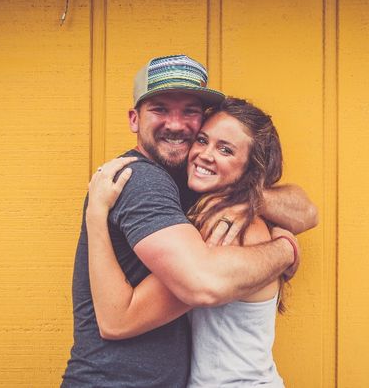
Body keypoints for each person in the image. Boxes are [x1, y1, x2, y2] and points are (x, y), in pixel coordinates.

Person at [61, 55, 317, 388]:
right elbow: (128, 315)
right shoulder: (146, 182)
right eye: (160, 109)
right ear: (134, 119)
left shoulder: (209, 202)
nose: (176, 125)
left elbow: (308, 212)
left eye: (190, 112)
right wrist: (285, 250)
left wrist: (252, 198)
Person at [87, 97, 290, 387]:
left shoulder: (228, 230)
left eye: (225, 149)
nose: (205, 155)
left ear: (250, 168)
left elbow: (118, 319)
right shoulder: (204, 209)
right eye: (203, 140)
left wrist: (96, 216)